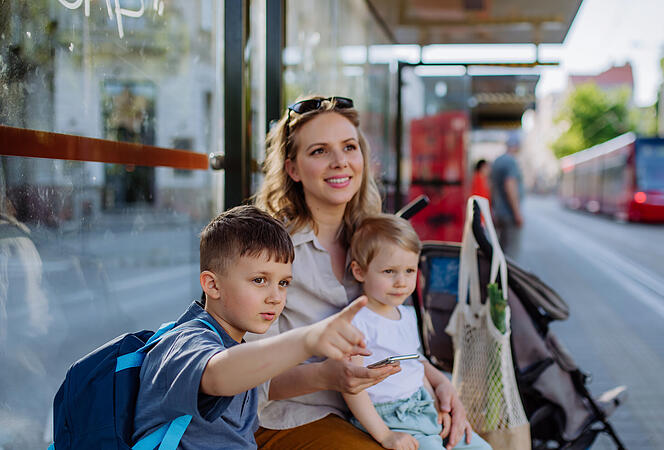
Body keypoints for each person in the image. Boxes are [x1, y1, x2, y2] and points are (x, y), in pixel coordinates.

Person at [252, 95, 472, 450]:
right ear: (292, 169)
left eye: (349, 147)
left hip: (386, 411)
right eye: (320, 151)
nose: (340, 162)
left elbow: (397, 343)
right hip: (294, 417)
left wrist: (440, 384)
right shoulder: (270, 250)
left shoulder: (375, 241)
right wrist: (325, 376)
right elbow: (252, 376)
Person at [132, 205, 371, 448]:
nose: (276, 297)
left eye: (284, 283)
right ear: (212, 285)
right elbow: (217, 375)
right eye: (259, 280)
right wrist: (307, 340)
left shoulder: (235, 345)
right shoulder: (185, 340)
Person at [344, 214, 491, 450]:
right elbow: (351, 387)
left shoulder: (406, 314)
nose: (401, 282)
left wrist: (437, 396)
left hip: (421, 406)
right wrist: (384, 435)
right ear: (359, 271)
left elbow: (414, 361)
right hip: (389, 417)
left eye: (409, 271)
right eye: (389, 271)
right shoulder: (357, 322)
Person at [489, 133, 524, 250]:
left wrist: (492, 210)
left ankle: (499, 269)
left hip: (499, 213)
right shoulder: (511, 162)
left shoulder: (497, 161)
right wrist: (517, 213)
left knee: (501, 250)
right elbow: (510, 186)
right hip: (509, 215)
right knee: (511, 254)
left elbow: (491, 187)